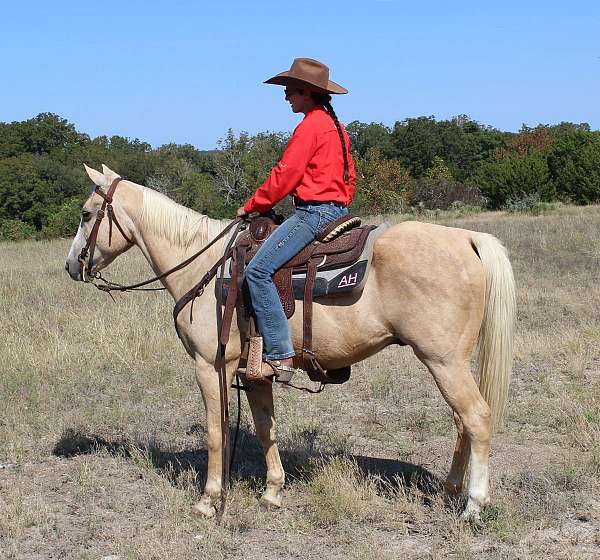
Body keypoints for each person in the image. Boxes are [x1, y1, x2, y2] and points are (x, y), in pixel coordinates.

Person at [236, 57, 356, 379]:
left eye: (290, 90)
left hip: (313, 213)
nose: (285, 95)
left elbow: (285, 174)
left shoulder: (311, 126)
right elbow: (350, 177)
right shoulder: (336, 127)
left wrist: (251, 205)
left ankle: (280, 354)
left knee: (257, 271)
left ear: (306, 92)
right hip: (338, 210)